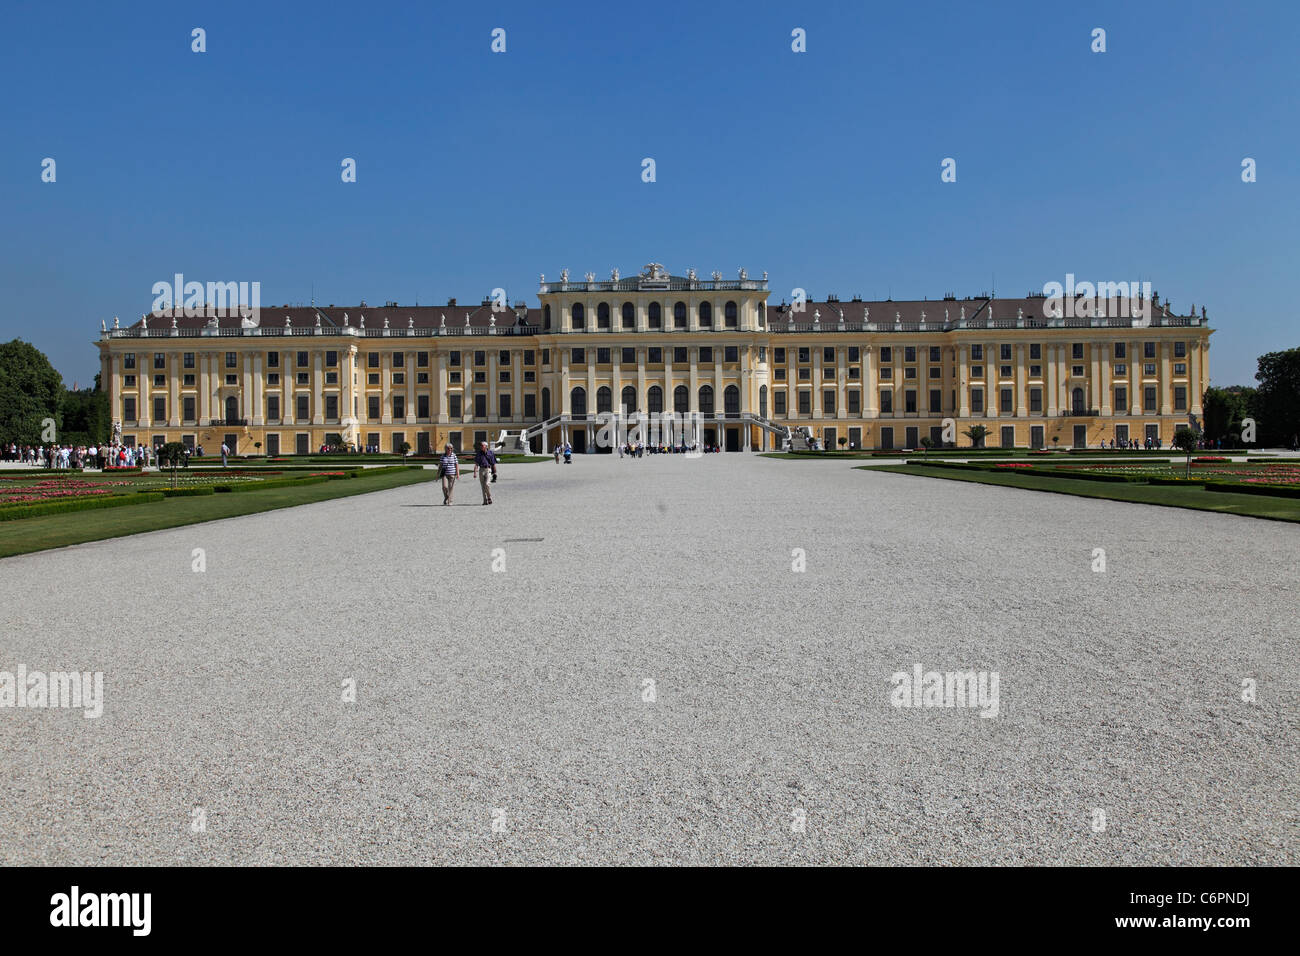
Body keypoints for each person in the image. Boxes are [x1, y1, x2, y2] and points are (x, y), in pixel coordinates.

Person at [474, 441, 497, 505]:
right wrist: (475, 472)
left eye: (482, 445)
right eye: (480, 445)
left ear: (486, 446)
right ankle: (485, 500)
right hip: (481, 470)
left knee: (487, 484)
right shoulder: (479, 453)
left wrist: (495, 473)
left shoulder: (490, 453)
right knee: (483, 486)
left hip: (488, 469)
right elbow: (476, 464)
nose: (481, 446)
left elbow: (493, 463)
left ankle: (489, 497)